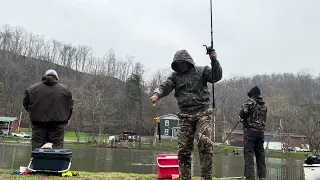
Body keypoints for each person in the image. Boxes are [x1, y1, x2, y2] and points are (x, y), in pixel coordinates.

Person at [150, 49, 222, 180]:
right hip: (185, 116)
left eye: (183, 63)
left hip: (203, 113)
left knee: (204, 142)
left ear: (188, 62)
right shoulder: (175, 76)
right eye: (178, 64)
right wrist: (156, 94)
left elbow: (216, 76)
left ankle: (206, 177)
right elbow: (164, 86)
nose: (181, 66)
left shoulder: (202, 71)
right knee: (183, 150)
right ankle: (185, 177)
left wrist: (214, 60)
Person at [23, 69, 74, 150]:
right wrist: (67, 118)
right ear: (56, 78)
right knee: (57, 148)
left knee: (37, 148)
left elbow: (26, 105)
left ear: (44, 76)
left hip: (38, 124)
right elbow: (70, 107)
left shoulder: (31, 89)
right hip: (58, 125)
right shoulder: (65, 90)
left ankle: (37, 162)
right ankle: (55, 162)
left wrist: (35, 113)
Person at [239, 86, 267, 180]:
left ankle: (249, 176)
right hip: (261, 133)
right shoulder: (264, 105)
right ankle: (262, 176)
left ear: (252, 94)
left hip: (250, 132)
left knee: (249, 154)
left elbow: (243, 113)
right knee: (260, 154)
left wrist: (243, 117)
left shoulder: (250, 102)